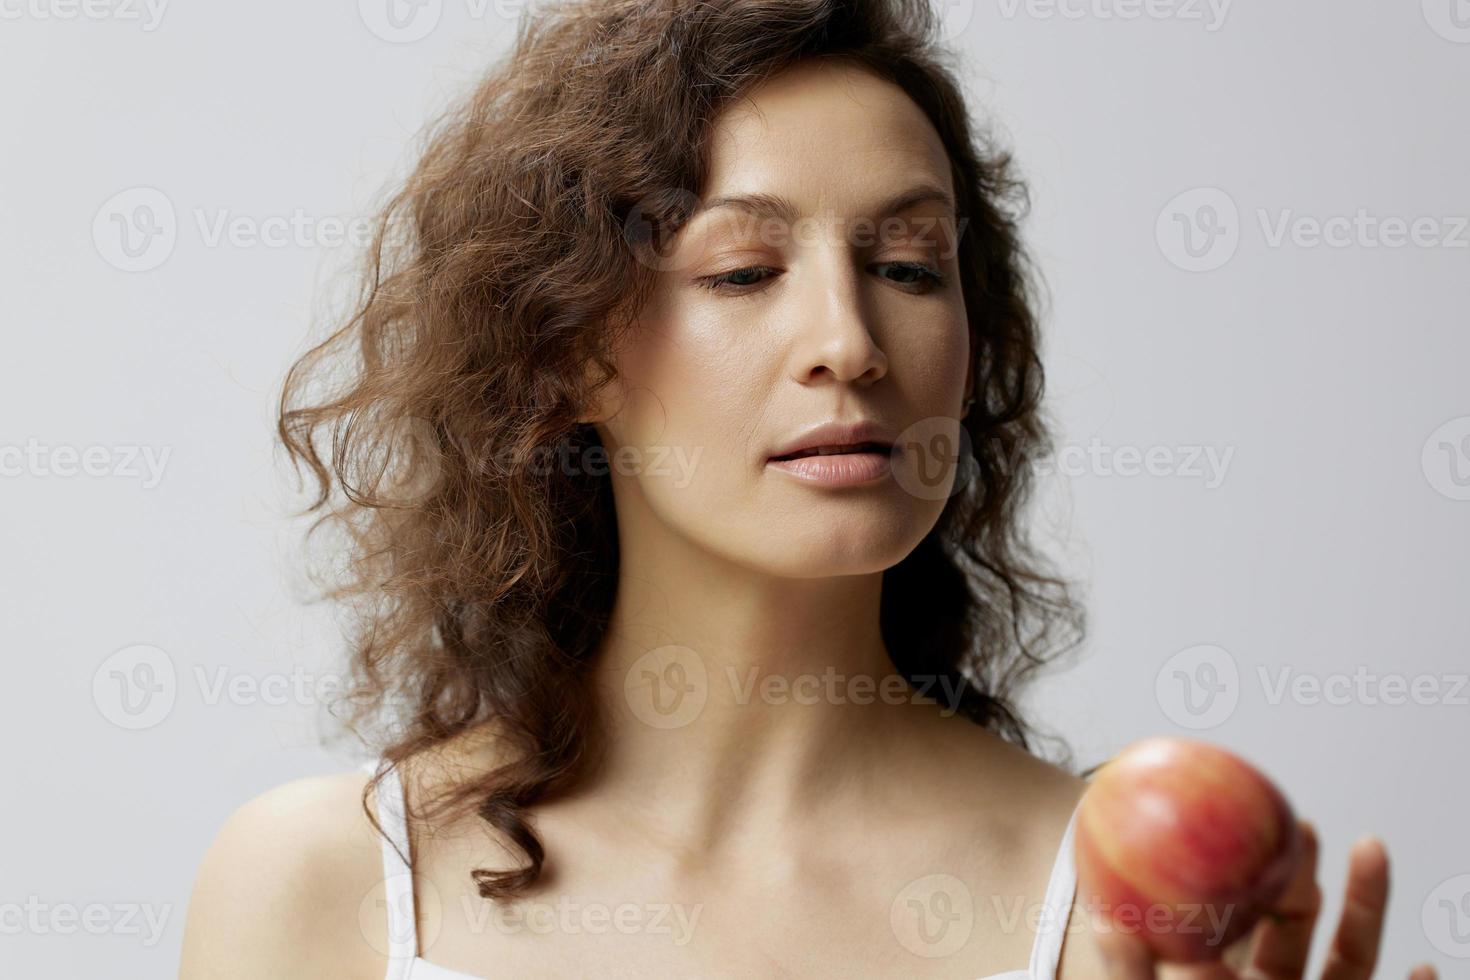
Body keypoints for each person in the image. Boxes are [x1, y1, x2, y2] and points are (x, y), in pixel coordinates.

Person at [178, 2, 1428, 978]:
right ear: (568, 348)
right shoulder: (319, 883)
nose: (851, 339)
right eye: (742, 271)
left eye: (906, 264)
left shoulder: (1115, 903)